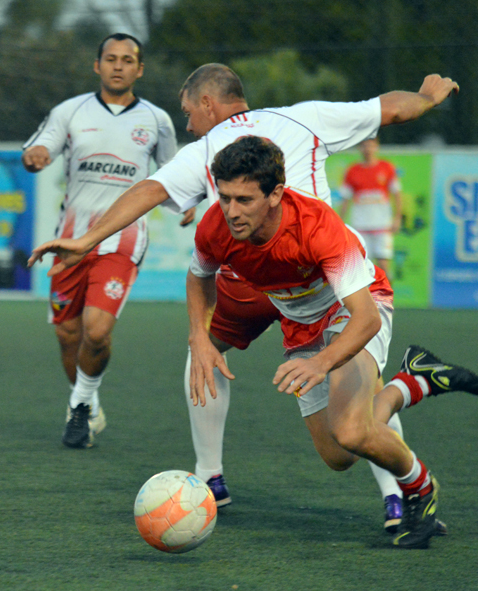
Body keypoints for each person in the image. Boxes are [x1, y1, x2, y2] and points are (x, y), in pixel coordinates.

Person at [27, 66, 459, 528]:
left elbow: (152, 189)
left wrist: (89, 237)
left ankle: (391, 494)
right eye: (225, 198)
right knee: (334, 450)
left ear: (209, 104)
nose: (189, 124)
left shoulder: (212, 154)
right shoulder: (300, 120)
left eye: (189, 112)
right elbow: (390, 108)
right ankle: (395, 423)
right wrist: (426, 97)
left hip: (330, 278)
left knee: (349, 420)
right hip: (271, 281)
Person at [186, 135, 478, 548]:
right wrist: (199, 337)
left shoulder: (316, 226)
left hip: (354, 311)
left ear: (276, 194)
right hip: (300, 324)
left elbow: (366, 318)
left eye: (244, 200)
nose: (231, 211)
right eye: (225, 197)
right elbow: (198, 276)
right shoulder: (216, 224)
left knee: (351, 430)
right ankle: (414, 381)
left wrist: (321, 362)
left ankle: (421, 488)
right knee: (340, 456)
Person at [22, 33, 179, 449]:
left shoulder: (157, 120)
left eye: (128, 60)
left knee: (97, 330)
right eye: (111, 58)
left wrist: (192, 208)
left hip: (123, 240)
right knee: (68, 336)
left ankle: (79, 407)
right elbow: (41, 146)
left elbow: (174, 173)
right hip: (70, 242)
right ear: (97, 65)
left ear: (139, 69)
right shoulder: (69, 111)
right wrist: (35, 155)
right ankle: (87, 403)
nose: (118, 66)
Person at [338, 137, 403, 276]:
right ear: (360, 149)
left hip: (382, 225)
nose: (368, 149)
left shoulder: (386, 167)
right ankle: (367, 298)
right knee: (360, 268)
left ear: (377, 147)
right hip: (360, 226)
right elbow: (345, 199)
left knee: (384, 265)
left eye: (371, 146)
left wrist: (397, 218)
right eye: (364, 146)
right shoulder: (352, 171)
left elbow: (397, 194)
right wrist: (339, 223)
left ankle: (386, 297)